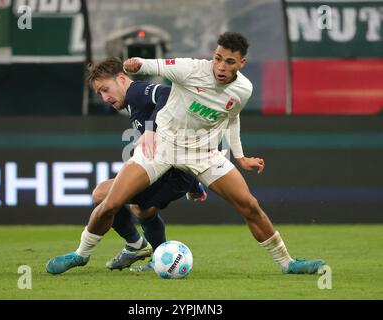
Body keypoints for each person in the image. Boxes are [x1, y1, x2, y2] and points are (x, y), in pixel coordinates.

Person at [47, 32, 324, 276]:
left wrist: (240, 158)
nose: (221, 66)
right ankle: (81, 255)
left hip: (203, 152)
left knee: (249, 205)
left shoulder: (244, 89)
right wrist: (136, 64)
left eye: (229, 61)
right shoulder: (190, 69)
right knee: (110, 202)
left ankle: (288, 263)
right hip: (163, 146)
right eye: (218, 58)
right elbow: (152, 66)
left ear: (241, 64)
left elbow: (232, 118)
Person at [46, 58, 206, 274]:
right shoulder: (132, 102)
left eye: (105, 89)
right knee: (140, 209)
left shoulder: (136, 91)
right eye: (99, 93)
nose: (104, 98)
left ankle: (91, 253)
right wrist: (195, 185)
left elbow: (167, 94)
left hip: (174, 174)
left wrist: (150, 128)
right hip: (175, 170)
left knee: (103, 194)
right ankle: (144, 251)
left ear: (121, 79)